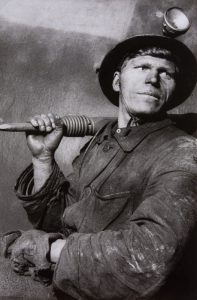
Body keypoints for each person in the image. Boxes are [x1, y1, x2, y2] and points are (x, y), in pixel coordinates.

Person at [4, 34, 197, 299]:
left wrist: (49, 250)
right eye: (142, 67)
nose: (153, 79)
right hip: (67, 285)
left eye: (166, 73)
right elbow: (58, 221)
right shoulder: (103, 141)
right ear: (118, 81)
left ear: (173, 89)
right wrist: (42, 158)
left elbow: (149, 257)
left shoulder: (181, 152)